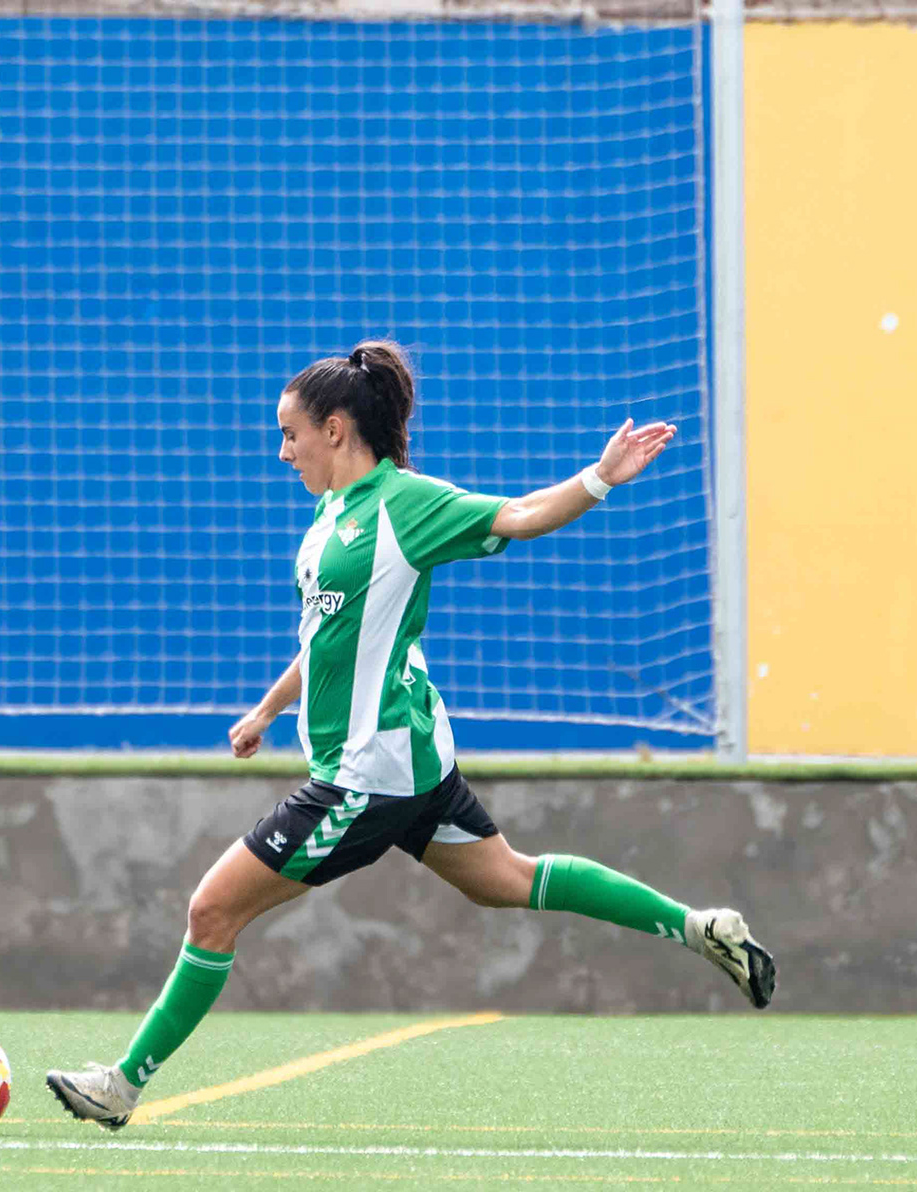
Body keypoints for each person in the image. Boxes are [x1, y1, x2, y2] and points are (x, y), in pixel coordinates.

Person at [46, 340, 774, 1130]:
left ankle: (121, 1086)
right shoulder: (329, 516)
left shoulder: (405, 503)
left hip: (367, 776)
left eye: (289, 434)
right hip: (412, 761)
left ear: (333, 429)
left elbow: (521, 516)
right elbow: (329, 641)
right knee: (507, 879)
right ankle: (701, 928)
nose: (281, 452)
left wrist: (600, 477)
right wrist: (267, 710)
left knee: (212, 911)